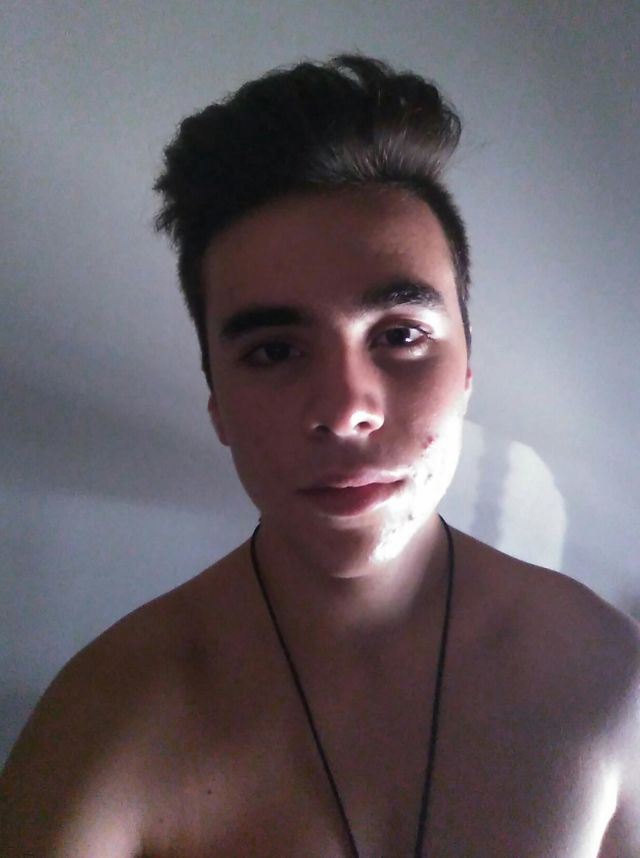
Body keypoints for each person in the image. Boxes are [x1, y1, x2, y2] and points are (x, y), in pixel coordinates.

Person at [1, 54, 639, 858]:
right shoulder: (105, 723)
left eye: (400, 335)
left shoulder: (608, 677)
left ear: (468, 370)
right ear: (216, 401)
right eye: (273, 351)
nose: (344, 410)